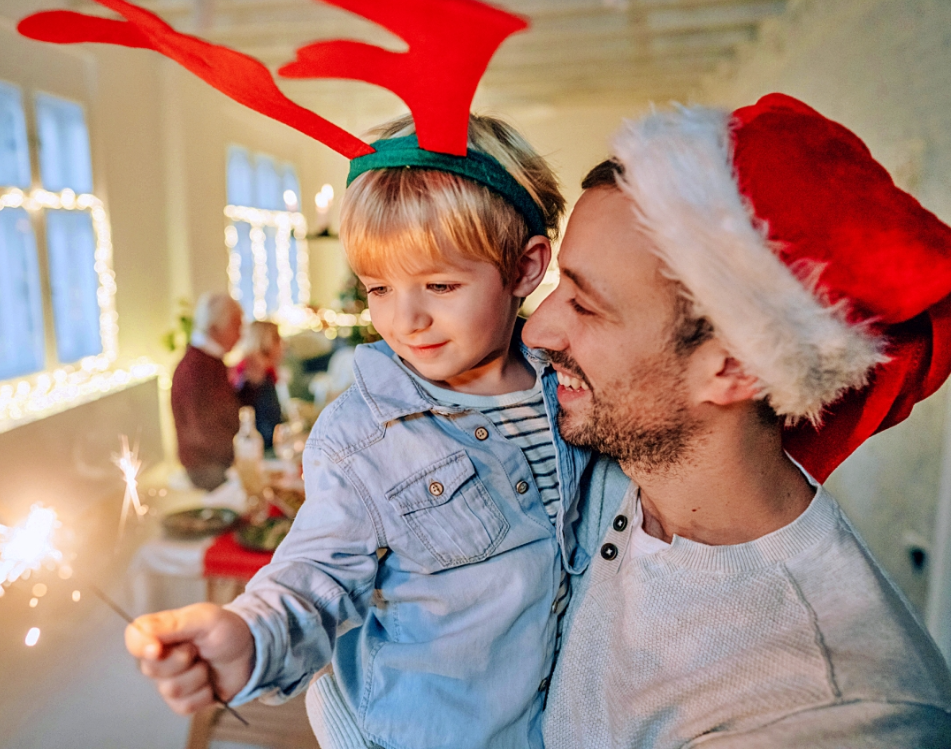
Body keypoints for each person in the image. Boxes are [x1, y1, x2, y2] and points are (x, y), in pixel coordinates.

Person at [126, 114, 588, 749]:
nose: (405, 319)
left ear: (525, 268)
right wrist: (251, 637)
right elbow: (314, 574)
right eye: (379, 287)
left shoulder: (576, 393)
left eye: (441, 284)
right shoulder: (361, 436)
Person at [524, 94, 951, 747]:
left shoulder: (829, 714)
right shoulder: (622, 477)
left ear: (735, 368)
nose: (539, 328)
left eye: (585, 305)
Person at [171, 292, 243, 491]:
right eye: (236, 325)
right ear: (214, 328)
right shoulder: (195, 368)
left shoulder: (212, 362)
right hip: (206, 467)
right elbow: (201, 431)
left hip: (221, 460)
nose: (241, 334)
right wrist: (241, 456)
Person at [234, 320, 285, 450]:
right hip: (259, 449)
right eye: (278, 339)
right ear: (268, 341)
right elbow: (266, 420)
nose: (283, 345)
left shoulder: (263, 371)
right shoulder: (254, 375)